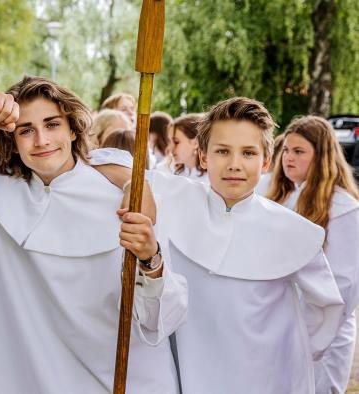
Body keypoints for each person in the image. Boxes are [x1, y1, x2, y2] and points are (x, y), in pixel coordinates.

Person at [0, 76, 187, 394]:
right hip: (17, 379)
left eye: (52, 124)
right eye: (26, 130)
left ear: (72, 129)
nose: (41, 140)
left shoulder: (128, 199)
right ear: (10, 138)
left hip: (110, 380)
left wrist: (151, 261)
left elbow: (160, 322)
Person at [92, 97, 345, 394]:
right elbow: (97, 159)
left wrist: (297, 349)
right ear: (202, 157)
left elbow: (327, 306)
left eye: (248, 153)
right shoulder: (177, 197)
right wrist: (135, 184)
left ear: (266, 160)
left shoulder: (294, 231)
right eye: (222, 151)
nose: (234, 164)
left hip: (269, 373)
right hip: (194, 368)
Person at [259, 115, 359, 394]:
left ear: (321, 157)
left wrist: (311, 339)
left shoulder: (343, 207)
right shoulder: (284, 196)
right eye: (287, 150)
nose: (288, 158)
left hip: (323, 337)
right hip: (284, 327)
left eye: (299, 151)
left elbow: (344, 286)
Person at [170, 113, 208, 183]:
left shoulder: (210, 180)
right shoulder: (173, 173)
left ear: (196, 143)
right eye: (170, 141)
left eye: (176, 142)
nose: (170, 148)